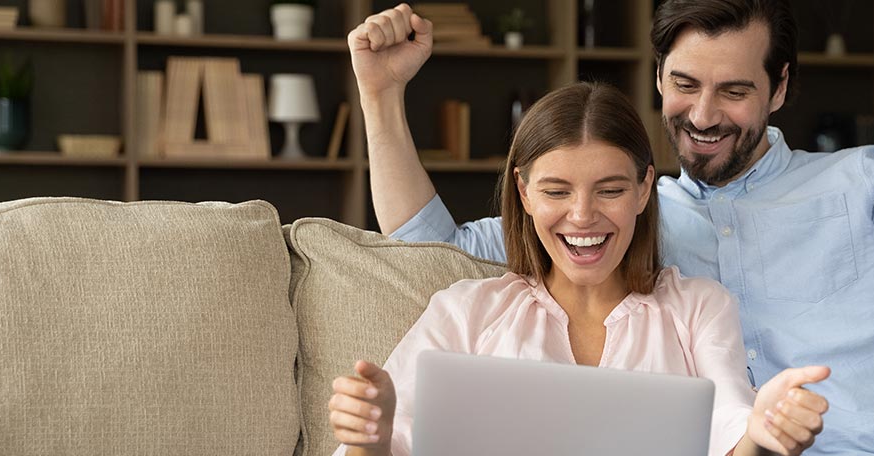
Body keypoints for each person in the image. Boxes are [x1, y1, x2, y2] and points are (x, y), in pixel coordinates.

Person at [354, 0, 874, 454]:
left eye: (734, 91)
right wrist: (381, 97)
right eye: (685, 84)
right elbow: (427, 251)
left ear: (780, 89)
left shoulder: (861, 183)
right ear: (656, 77)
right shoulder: (622, 217)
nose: (703, 114)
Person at [328, 82, 830, 456]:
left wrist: (764, 436)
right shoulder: (467, 311)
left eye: (610, 190)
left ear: (642, 189)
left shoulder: (698, 308)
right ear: (523, 193)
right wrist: (368, 441)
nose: (583, 216)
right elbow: (388, 442)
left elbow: (730, 432)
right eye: (556, 191)